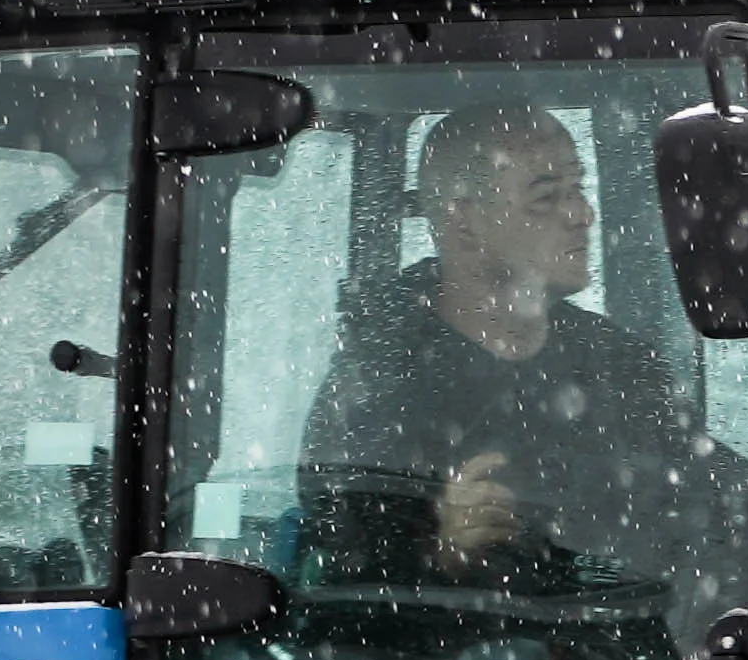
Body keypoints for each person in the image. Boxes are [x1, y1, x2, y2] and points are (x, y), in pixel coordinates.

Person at [295, 102, 707, 588]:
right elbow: (340, 598)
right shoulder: (377, 392)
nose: (583, 214)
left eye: (578, 189)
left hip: (631, 645)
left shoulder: (621, 364)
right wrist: (441, 555)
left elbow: (704, 511)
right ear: (463, 220)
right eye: (547, 197)